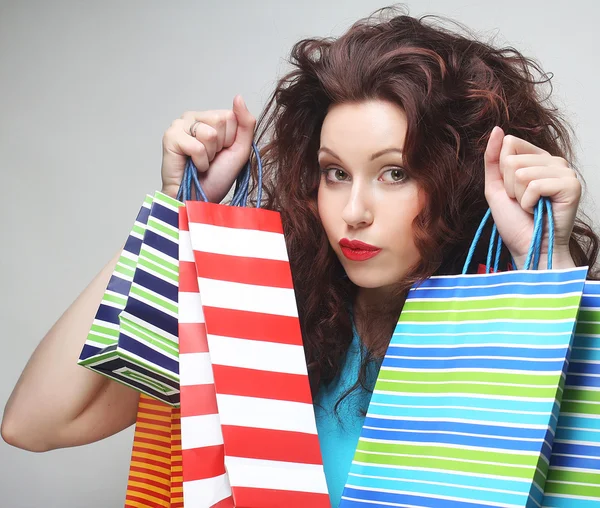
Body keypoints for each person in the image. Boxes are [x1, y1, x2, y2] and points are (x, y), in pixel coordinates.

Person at [2, 7, 599, 507]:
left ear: (464, 182)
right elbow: (36, 422)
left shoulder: (509, 337)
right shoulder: (259, 321)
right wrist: (174, 219)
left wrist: (545, 265)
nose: (353, 211)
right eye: (335, 173)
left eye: (394, 173)